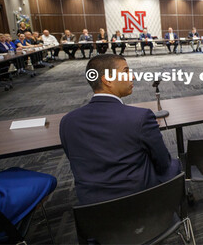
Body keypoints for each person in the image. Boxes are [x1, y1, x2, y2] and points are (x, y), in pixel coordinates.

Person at [59, 54, 181, 205]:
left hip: (92, 209)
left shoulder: (67, 121)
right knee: (176, 164)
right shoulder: (140, 117)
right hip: (140, 204)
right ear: (107, 80)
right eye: (126, 71)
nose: (133, 77)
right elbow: (163, 163)